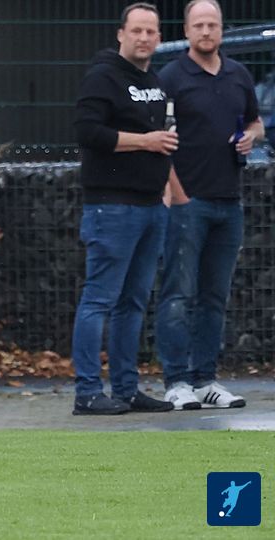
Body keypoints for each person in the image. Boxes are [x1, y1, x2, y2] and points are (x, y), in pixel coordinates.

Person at [156, 0, 264, 410]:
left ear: (221, 29)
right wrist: (177, 193)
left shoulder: (239, 75)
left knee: (214, 297)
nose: (206, 31)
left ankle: (205, 380)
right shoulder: (170, 77)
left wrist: (252, 137)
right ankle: (176, 382)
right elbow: (158, 139)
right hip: (188, 202)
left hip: (229, 202)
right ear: (186, 30)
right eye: (199, 25)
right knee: (178, 295)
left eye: (212, 24)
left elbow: (256, 122)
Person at [70, 2, 177, 415]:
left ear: (159, 37)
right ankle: (87, 392)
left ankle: (127, 389)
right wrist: (145, 141)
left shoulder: (154, 81)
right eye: (137, 30)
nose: (144, 38)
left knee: (133, 303)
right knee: (99, 299)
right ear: (121, 34)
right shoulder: (102, 76)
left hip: (151, 207)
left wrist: (164, 186)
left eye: (151, 31)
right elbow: (88, 132)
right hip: (112, 207)